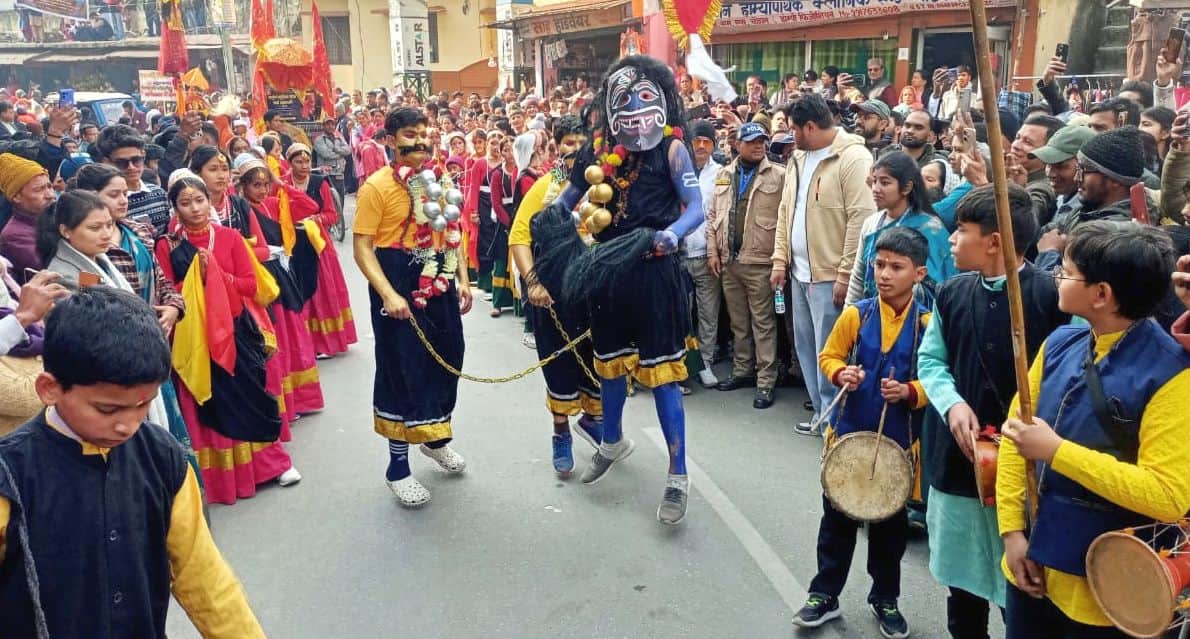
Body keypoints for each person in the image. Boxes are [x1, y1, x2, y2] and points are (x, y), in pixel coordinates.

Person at [0, 285, 266, 636]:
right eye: (107, 409)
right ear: (49, 388)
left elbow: (203, 576)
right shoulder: (11, 475)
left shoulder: (163, 457)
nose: (128, 424)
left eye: (144, 405)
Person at [529, 55, 705, 524]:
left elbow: (696, 207)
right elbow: (567, 202)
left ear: (663, 100)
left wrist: (672, 234)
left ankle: (677, 474)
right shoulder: (595, 153)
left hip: (655, 272)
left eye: (644, 97)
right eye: (622, 99)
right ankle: (612, 441)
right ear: (608, 106)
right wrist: (551, 227)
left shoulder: (673, 150)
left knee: (664, 374)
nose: (633, 107)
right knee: (608, 366)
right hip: (607, 274)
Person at [997, 222, 1190, 638]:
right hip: (1033, 563)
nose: (1056, 276)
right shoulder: (1060, 342)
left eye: (1065, 272)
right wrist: (1012, 533)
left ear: (1102, 294)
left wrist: (1056, 451)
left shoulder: (1173, 375)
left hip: (1112, 590)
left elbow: (1168, 495)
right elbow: (1016, 437)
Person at [917, 184, 1069, 638]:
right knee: (962, 591)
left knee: (1019, 590)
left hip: (1023, 471)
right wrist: (952, 403)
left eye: (961, 231)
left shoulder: (1051, 299)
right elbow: (931, 361)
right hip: (959, 462)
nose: (951, 240)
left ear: (995, 241)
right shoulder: (951, 292)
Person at [792, 227, 932, 637]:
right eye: (879, 265)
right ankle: (824, 594)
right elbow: (828, 354)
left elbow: (939, 380)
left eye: (896, 267)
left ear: (919, 274)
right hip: (849, 438)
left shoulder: (927, 324)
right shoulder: (858, 314)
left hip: (898, 446)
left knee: (890, 534)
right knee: (835, 523)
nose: (885, 274)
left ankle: (885, 598)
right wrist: (841, 373)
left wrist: (911, 391)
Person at [352, 107, 472, 508]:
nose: (420, 141)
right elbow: (362, 247)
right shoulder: (375, 187)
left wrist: (462, 279)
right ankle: (397, 468)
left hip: (438, 275)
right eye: (409, 134)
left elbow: (453, 233)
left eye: (424, 133)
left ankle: (435, 439)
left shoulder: (438, 180)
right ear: (389, 140)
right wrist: (388, 293)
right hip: (396, 278)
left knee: (447, 358)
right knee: (402, 370)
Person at [155, 176, 302, 505]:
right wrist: (196, 283)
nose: (194, 209)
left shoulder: (230, 237)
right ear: (175, 209)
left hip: (236, 331)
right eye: (185, 203)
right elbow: (166, 293)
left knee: (252, 398)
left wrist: (218, 278)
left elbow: (252, 285)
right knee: (209, 407)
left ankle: (271, 466)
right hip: (195, 337)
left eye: (199, 200)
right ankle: (220, 482)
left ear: (210, 201)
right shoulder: (167, 246)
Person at [771, 94, 876, 436]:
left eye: (794, 129)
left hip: (831, 276)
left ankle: (837, 421)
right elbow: (787, 210)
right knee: (806, 348)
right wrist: (780, 260)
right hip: (800, 273)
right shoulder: (799, 158)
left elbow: (860, 218)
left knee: (829, 351)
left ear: (811, 127)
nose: (791, 136)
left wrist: (846, 273)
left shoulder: (853, 158)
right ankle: (822, 415)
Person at [507, 114, 603, 478]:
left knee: (599, 361)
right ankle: (561, 433)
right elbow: (518, 237)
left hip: (594, 292)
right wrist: (533, 282)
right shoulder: (545, 187)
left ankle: (596, 423)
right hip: (552, 295)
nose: (576, 151)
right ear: (554, 149)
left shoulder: (605, 185)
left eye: (582, 144)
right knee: (558, 365)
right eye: (568, 144)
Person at [234, 155, 325, 419]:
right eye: (256, 185)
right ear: (243, 187)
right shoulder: (241, 210)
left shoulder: (275, 203)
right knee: (279, 337)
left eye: (264, 184)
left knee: (294, 333)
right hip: (262, 277)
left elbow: (310, 206)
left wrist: (279, 183)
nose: (262, 190)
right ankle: (287, 404)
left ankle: (302, 399)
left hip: (283, 274)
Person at [707, 122, 785, 409]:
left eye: (762, 141)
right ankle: (742, 370)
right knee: (739, 323)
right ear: (736, 144)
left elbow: (786, 221)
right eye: (751, 141)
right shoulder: (724, 174)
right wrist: (712, 251)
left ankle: (766, 380)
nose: (758, 146)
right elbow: (713, 214)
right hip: (729, 261)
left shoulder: (779, 175)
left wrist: (780, 260)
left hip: (761, 262)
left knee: (763, 324)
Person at [847, 152, 954, 306]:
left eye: (884, 183)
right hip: (872, 317)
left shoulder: (929, 228)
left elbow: (941, 285)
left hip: (916, 320)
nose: (876, 188)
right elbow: (858, 277)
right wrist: (850, 316)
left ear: (906, 187)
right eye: (875, 181)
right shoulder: (871, 223)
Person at [283, 143, 357, 357]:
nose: (304, 165)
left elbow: (332, 215)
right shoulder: (282, 185)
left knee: (321, 291)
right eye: (298, 161)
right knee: (300, 291)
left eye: (307, 161)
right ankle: (304, 342)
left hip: (317, 244)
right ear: (290, 164)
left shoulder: (319, 183)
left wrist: (315, 219)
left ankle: (326, 343)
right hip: (292, 244)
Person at [684, 119, 723, 389]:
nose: (700, 146)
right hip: (677, 254)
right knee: (680, 314)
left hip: (706, 254)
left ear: (713, 145)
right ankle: (681, 366)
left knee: (709, 314)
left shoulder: (721, 173)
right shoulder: (676, 169)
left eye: (706, 141)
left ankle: (705, 363)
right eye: (696, 141)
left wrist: (716, 250)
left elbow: (719, 214)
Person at [97, 124, 171, 238]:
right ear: (106, 162)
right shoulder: (103, 203)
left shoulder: (159, 194)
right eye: (122, 162)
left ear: (143, 155)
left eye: (136, 160)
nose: (131, 167)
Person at [0, 153, 54, 283]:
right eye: (38, 189)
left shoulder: (52, 219)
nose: (50, 195)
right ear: (16, 197)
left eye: (49, 186)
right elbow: (52, 274)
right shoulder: (14, 236)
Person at [1007, 114, 1062, 228]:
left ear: (1049, 152)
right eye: (1017, 137)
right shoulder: (1015, 175)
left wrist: (1016, 192)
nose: (1016, 145)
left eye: (1028, 142)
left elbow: (1026, 221)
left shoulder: (1045, 187)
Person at [486, 135, 518, 317]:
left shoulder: (522, 170)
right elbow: (496, 204)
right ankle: (497, 303)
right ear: (502, 152)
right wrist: (508, 223)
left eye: (512, 149)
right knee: (500, 261)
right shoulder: (498, 174)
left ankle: (518, 303)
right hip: (505, 220)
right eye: (506, 150)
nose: (510, 153)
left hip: (519, 215)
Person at [314, 116, 352, 196]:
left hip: (339, 174)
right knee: (329, 200)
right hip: (326, 175)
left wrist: (336, 149)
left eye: (332, 124)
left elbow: (348, 150)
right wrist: (341, 155)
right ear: (323, 126)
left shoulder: (339, 138)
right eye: (328, 124)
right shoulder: (319, 140)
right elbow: (326, 154)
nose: (330, 126)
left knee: (340, 201)